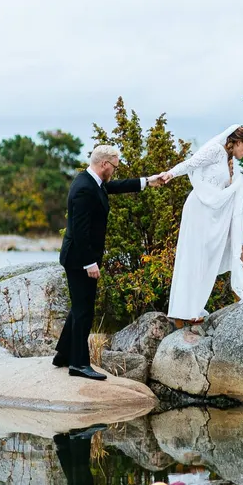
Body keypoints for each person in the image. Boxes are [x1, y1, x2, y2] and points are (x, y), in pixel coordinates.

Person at [53, 145, 165, 379]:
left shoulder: (91, 181)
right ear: (104, 164)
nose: (115, 171)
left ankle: (63, 354)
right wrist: (89, 263)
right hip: (78, 259)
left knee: (79, 307)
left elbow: (115, 187)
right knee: (84, 310)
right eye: (114, 166)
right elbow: (81, 231)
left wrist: (148, 181)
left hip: (79, 257)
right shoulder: (84, 188)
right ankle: (79, 364)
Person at [154, 125, 243, 327]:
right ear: (237, 141)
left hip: (216, 211)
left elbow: (227, 188)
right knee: (196, 255)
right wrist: (170, 173)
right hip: (201, 208)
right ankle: (184, 310)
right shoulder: (216, 150)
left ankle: (237, 281)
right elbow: (191, 163)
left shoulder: (230, 161)